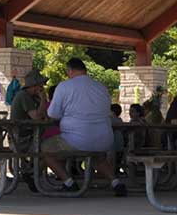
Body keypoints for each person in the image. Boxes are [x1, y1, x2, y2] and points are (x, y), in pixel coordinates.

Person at [43, 58, 125, 196]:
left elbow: (52, 114)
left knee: (45, 149)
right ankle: (116, 182)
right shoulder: (101, 87)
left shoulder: (64, 86)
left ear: (69, 71)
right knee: (98, 158)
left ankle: (69, 182)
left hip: (75, 139)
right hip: (104, 139)